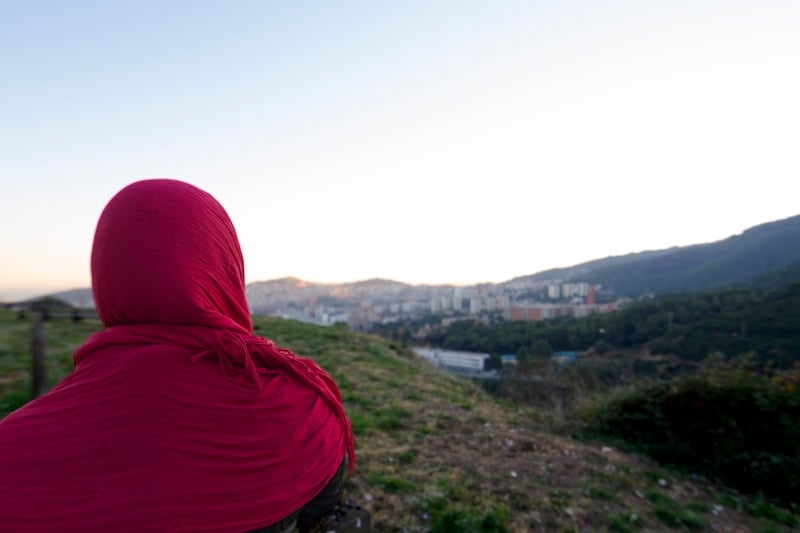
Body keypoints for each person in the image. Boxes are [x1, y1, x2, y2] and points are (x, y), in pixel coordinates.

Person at [0, 179, 355, 532]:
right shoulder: (305, 410)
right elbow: (321, 506)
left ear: (107, 274)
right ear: (224, 266)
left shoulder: (11, 453)